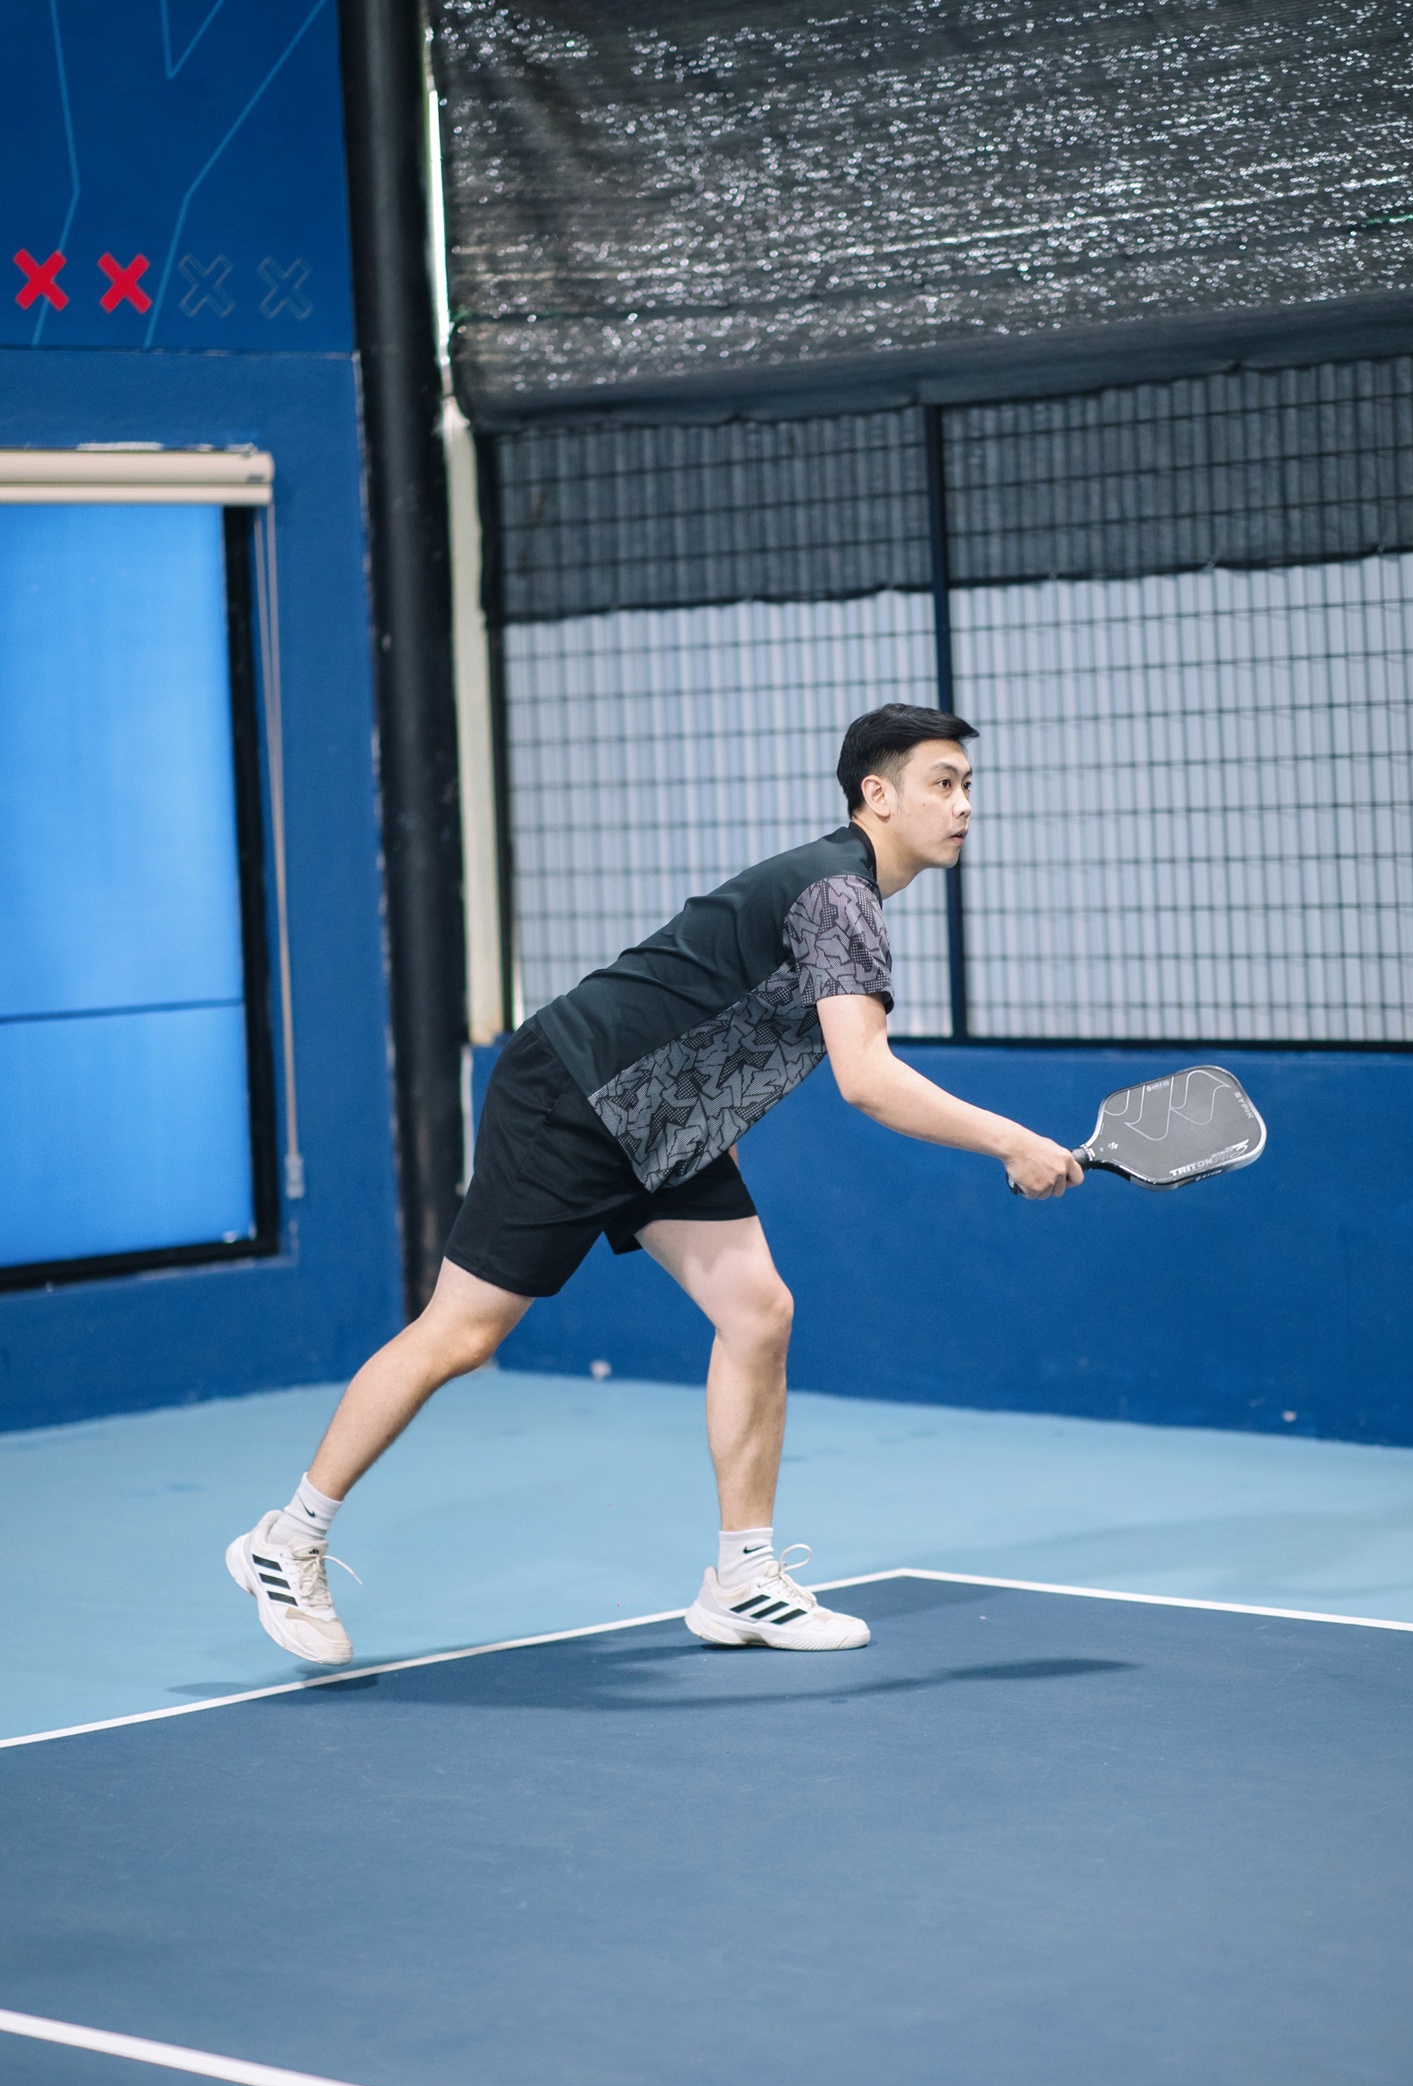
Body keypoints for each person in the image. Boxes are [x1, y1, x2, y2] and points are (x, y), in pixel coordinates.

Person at [227, 704, 1081, 1665]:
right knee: (462, 1335)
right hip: (573, 1095)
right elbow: (866, 1079)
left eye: (967, 786)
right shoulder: (837, 895)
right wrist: (1013, 1141)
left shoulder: (842, 893)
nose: (962, 805)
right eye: (941, 783)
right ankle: (284, 1541)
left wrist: (712, 1127)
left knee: (758, 1313)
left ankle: (742, 1582)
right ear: (876, 796)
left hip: (664, 1121)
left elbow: (735, 1020)